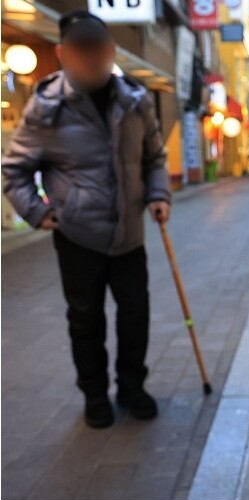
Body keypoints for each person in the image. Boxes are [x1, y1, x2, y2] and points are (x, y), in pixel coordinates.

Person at [2, 10, 171, 428]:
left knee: (135, 316)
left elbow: (154, 157)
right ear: (62, 54)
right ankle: (95, 394)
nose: (92, 56)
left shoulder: (136, 101)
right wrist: (38, 212)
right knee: (85, 320)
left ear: (111, 49)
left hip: (130, 235)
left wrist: (158, 194)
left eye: (98, 47)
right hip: (77, 237)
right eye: (81, 49)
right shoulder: (46, 108)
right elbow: (13, 170)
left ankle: (132, 388)